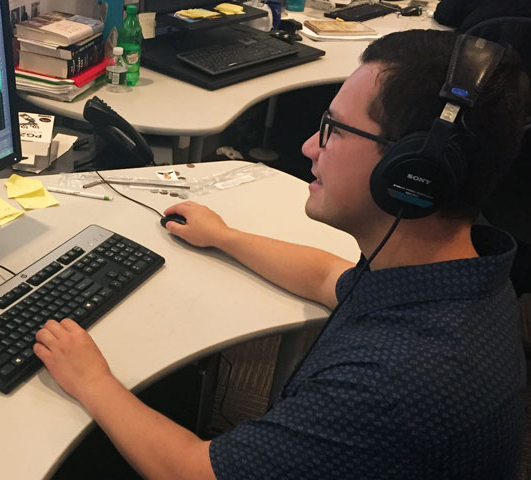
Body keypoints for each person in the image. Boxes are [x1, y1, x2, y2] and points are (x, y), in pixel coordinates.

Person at [33, 29, 531, 479]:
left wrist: (93, 380)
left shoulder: (391, 384)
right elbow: (328, 277)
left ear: (411, 173)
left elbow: (190, 471)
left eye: (335, 129)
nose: (310, 145)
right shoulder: (460, 276)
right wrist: (225, 237)